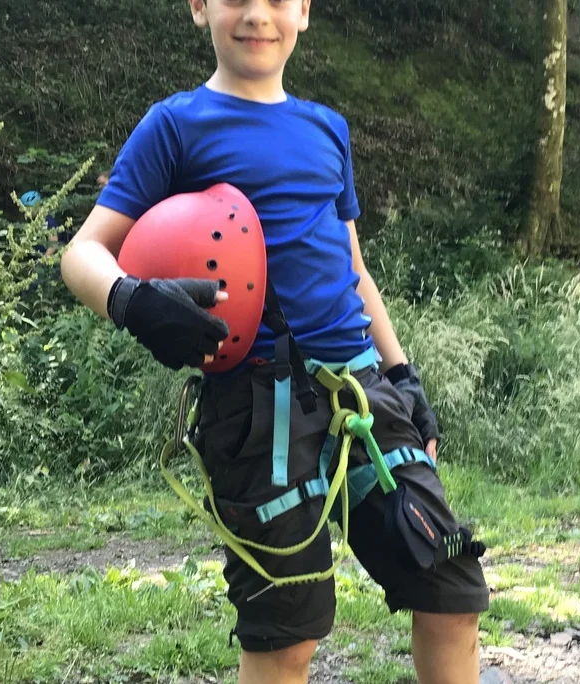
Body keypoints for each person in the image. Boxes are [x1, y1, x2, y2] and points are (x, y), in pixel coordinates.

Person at [58, 1, 489, 683]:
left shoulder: (328, 129)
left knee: (451, 591)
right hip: (258, 413)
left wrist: (404, 375)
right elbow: (83, 252)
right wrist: (132, 301)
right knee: (286, 636)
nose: (258, 14)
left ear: (305, 12)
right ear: (199, 8)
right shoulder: (174, 126)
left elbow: (354, 267)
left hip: (365, 398)